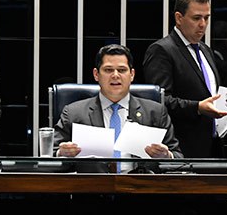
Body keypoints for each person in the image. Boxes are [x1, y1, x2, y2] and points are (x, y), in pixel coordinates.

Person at [54, 44, 182, 163]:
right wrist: (62, 153)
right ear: (96, 74)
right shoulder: (73, 113)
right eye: (108, 70)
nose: (115, 75)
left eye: (121, 70)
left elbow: (178, 159)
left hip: (139, 184)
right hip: (92, 184)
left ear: (131, 75)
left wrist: (166, 156)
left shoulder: (155, 113)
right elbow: (49, 157)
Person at [143, 0, 227, 158]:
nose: (203, 24)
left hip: (212, 146)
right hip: (180, 148)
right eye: (196, 18)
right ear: (179, 18)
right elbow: (159, 101)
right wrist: (197, 107)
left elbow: (209, 93)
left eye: (207, 18)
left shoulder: (205, 50)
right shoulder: (162, 50)